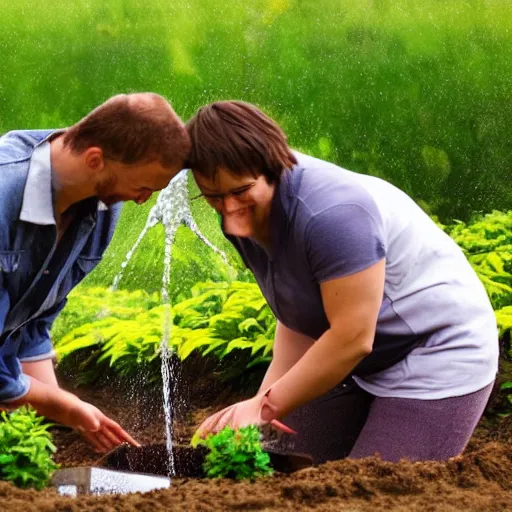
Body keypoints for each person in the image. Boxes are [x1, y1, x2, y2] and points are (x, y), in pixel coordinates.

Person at [186, 100, 499, 463]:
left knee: (372, 490)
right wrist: (261, 405)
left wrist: (264, 408)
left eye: (240, 192)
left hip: (435, 350)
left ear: (272, 165)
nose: (229, 210)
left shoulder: (331, 214)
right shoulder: (246, 211)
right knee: (280, 468)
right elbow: (297, 315)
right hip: (362, 360)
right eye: (213, 197)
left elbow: (352, 338)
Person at [0, 93, 190, 453]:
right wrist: (61, 406)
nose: (142, 200)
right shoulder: (3, 193)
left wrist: (57, 414)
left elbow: (30, 322)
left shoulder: (100, 208)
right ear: (95, 159)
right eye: (143, 187)